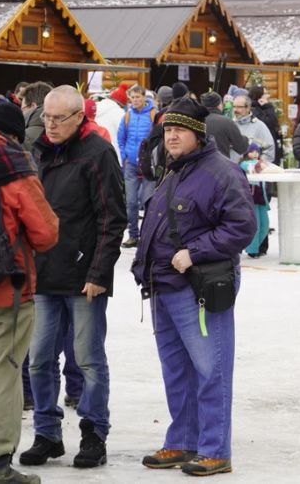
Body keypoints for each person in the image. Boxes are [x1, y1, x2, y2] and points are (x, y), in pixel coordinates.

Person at [131, 97, 255, 476]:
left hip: (197, 287)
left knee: (210, 369)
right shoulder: (174, 170)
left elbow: (241, 227)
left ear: (198, 135)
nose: (171, 136)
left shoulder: (222, 173)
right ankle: (182, 441)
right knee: (177, 371)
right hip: (163, 286)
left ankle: (215, 449)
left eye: (179, 130)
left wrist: (194, 252)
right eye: (168, 129)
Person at [20, 85, 126, 469]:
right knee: (38, 361)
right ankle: (47, 434)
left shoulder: (98, 154)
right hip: (44, 275)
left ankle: (94, 433)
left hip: (84, 279)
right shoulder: (38, 153)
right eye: (45, 117)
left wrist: (99, 272)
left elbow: (112, 218)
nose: (49, 125)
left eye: (58, 118)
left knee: (88, 360)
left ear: (80, 117)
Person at [0, 102, 59, 484]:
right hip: (7, 293)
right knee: (3, 377)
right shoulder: (14, 167)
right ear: (12, 134)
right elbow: (45, 233)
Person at [117, 85, 157, 248]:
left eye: (138, 97)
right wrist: (125, 156)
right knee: (131, 202)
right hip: (131, 163)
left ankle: (147, 236)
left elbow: (157, 137)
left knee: (147, 201)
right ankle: (133, 235)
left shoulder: (153, 114)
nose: (135, 100)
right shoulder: (127, 116)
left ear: (144, 97)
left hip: (148, 164)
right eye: (132, 98)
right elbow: (121, 138)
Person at [239, 143, 270, 258]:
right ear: (247, 153)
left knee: (265, 224)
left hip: (261, 198)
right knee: (254, 225)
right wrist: (263, 164)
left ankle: (257, 246)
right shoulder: (243, 163)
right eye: (252, 151)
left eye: (257, 151)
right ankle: (252, 249)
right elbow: (252, 167)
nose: (255, 154)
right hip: (251, 199)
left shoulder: (261, 163)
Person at [200, 91, 248, 160]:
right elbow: (241, 148)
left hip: (198, 166)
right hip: (220, 166)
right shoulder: (227, 122)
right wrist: (246, 139)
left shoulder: (195, 121)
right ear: (220, 105)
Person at [233, 95, 275, 162]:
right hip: (231, 170)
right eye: (234, 106)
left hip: (250, 171)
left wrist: (258, 165)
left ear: (248, 108)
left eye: (239, 107)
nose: (235, 110)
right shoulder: (229, 125)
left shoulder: (259, 126)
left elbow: (269, 149)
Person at [248, 86, 282, 165]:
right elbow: (269, 122)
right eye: (265, 94)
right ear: (258, 96)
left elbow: (274, 122)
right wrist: (268, 107)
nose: (268, 96)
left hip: (268, 145)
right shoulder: (254, 109)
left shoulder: (263, 107)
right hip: (261, 148)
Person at [20, 82, 53, 155]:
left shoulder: (22, 137)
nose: (21, 113)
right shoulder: (65, 132)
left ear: (33, 106)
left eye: (23, 109)